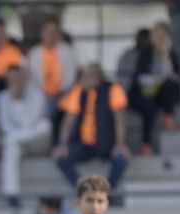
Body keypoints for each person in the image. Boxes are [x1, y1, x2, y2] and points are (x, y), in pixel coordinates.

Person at [53, 63, 130, 193]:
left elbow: (119, 119)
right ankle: (84, 190)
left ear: (97, 77)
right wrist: (63, 143)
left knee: (121, 159)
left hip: (107, 143)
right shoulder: (78, 90)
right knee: (61, 157)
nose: (83, 80)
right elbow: (69, 120)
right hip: (84, 144)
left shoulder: (113, 89)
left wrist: (120, 143)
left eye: (87, 77)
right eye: (83, 77)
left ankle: (106, 191)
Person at [117, 23, 180, 155]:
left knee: (167, 85)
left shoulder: (172, 54)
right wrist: (157, 79)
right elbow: (140, 78)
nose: (159, 38)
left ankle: (169, 116)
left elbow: (174, 77)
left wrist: (164, 55)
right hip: (141, 93)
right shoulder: (144, 53)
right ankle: (145, 144)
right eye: (156, 35)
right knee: (150, 107)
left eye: (162, 35)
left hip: (159, 93)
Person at [0, 65, 51, 207]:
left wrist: (18, 100)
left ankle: (8, 141)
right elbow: (6, 126)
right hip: (19, 142)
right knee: (11, 148)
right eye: (11, 79)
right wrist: (14, 99)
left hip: (38, 143)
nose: (14, 82)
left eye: (17, 79)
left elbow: (32, 122)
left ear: (24, 79)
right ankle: (12, 194)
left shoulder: (37, 94)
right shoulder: (2, 97)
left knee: (45, 126)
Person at [26, 19, 79, 142]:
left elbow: (72, 77)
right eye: (47, 31)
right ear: (42, 33)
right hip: (40, 94)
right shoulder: (34, 53)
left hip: (63, 94)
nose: (50, 35)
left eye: (53, 32)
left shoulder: (68, 51)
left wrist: (59, 93)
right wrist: (43, 94)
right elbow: (31, 78)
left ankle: (59, 142)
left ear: (58, 34)